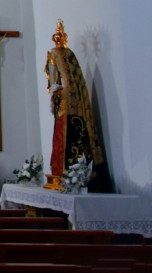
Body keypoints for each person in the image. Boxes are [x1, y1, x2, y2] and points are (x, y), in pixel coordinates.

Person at [46, 20, 110, 191]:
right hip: (64, 112)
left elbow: (59, 84)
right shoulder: (69, 71)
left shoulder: (73, 112)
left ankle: (74, 177)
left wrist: (58, 93)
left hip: (68, 114)